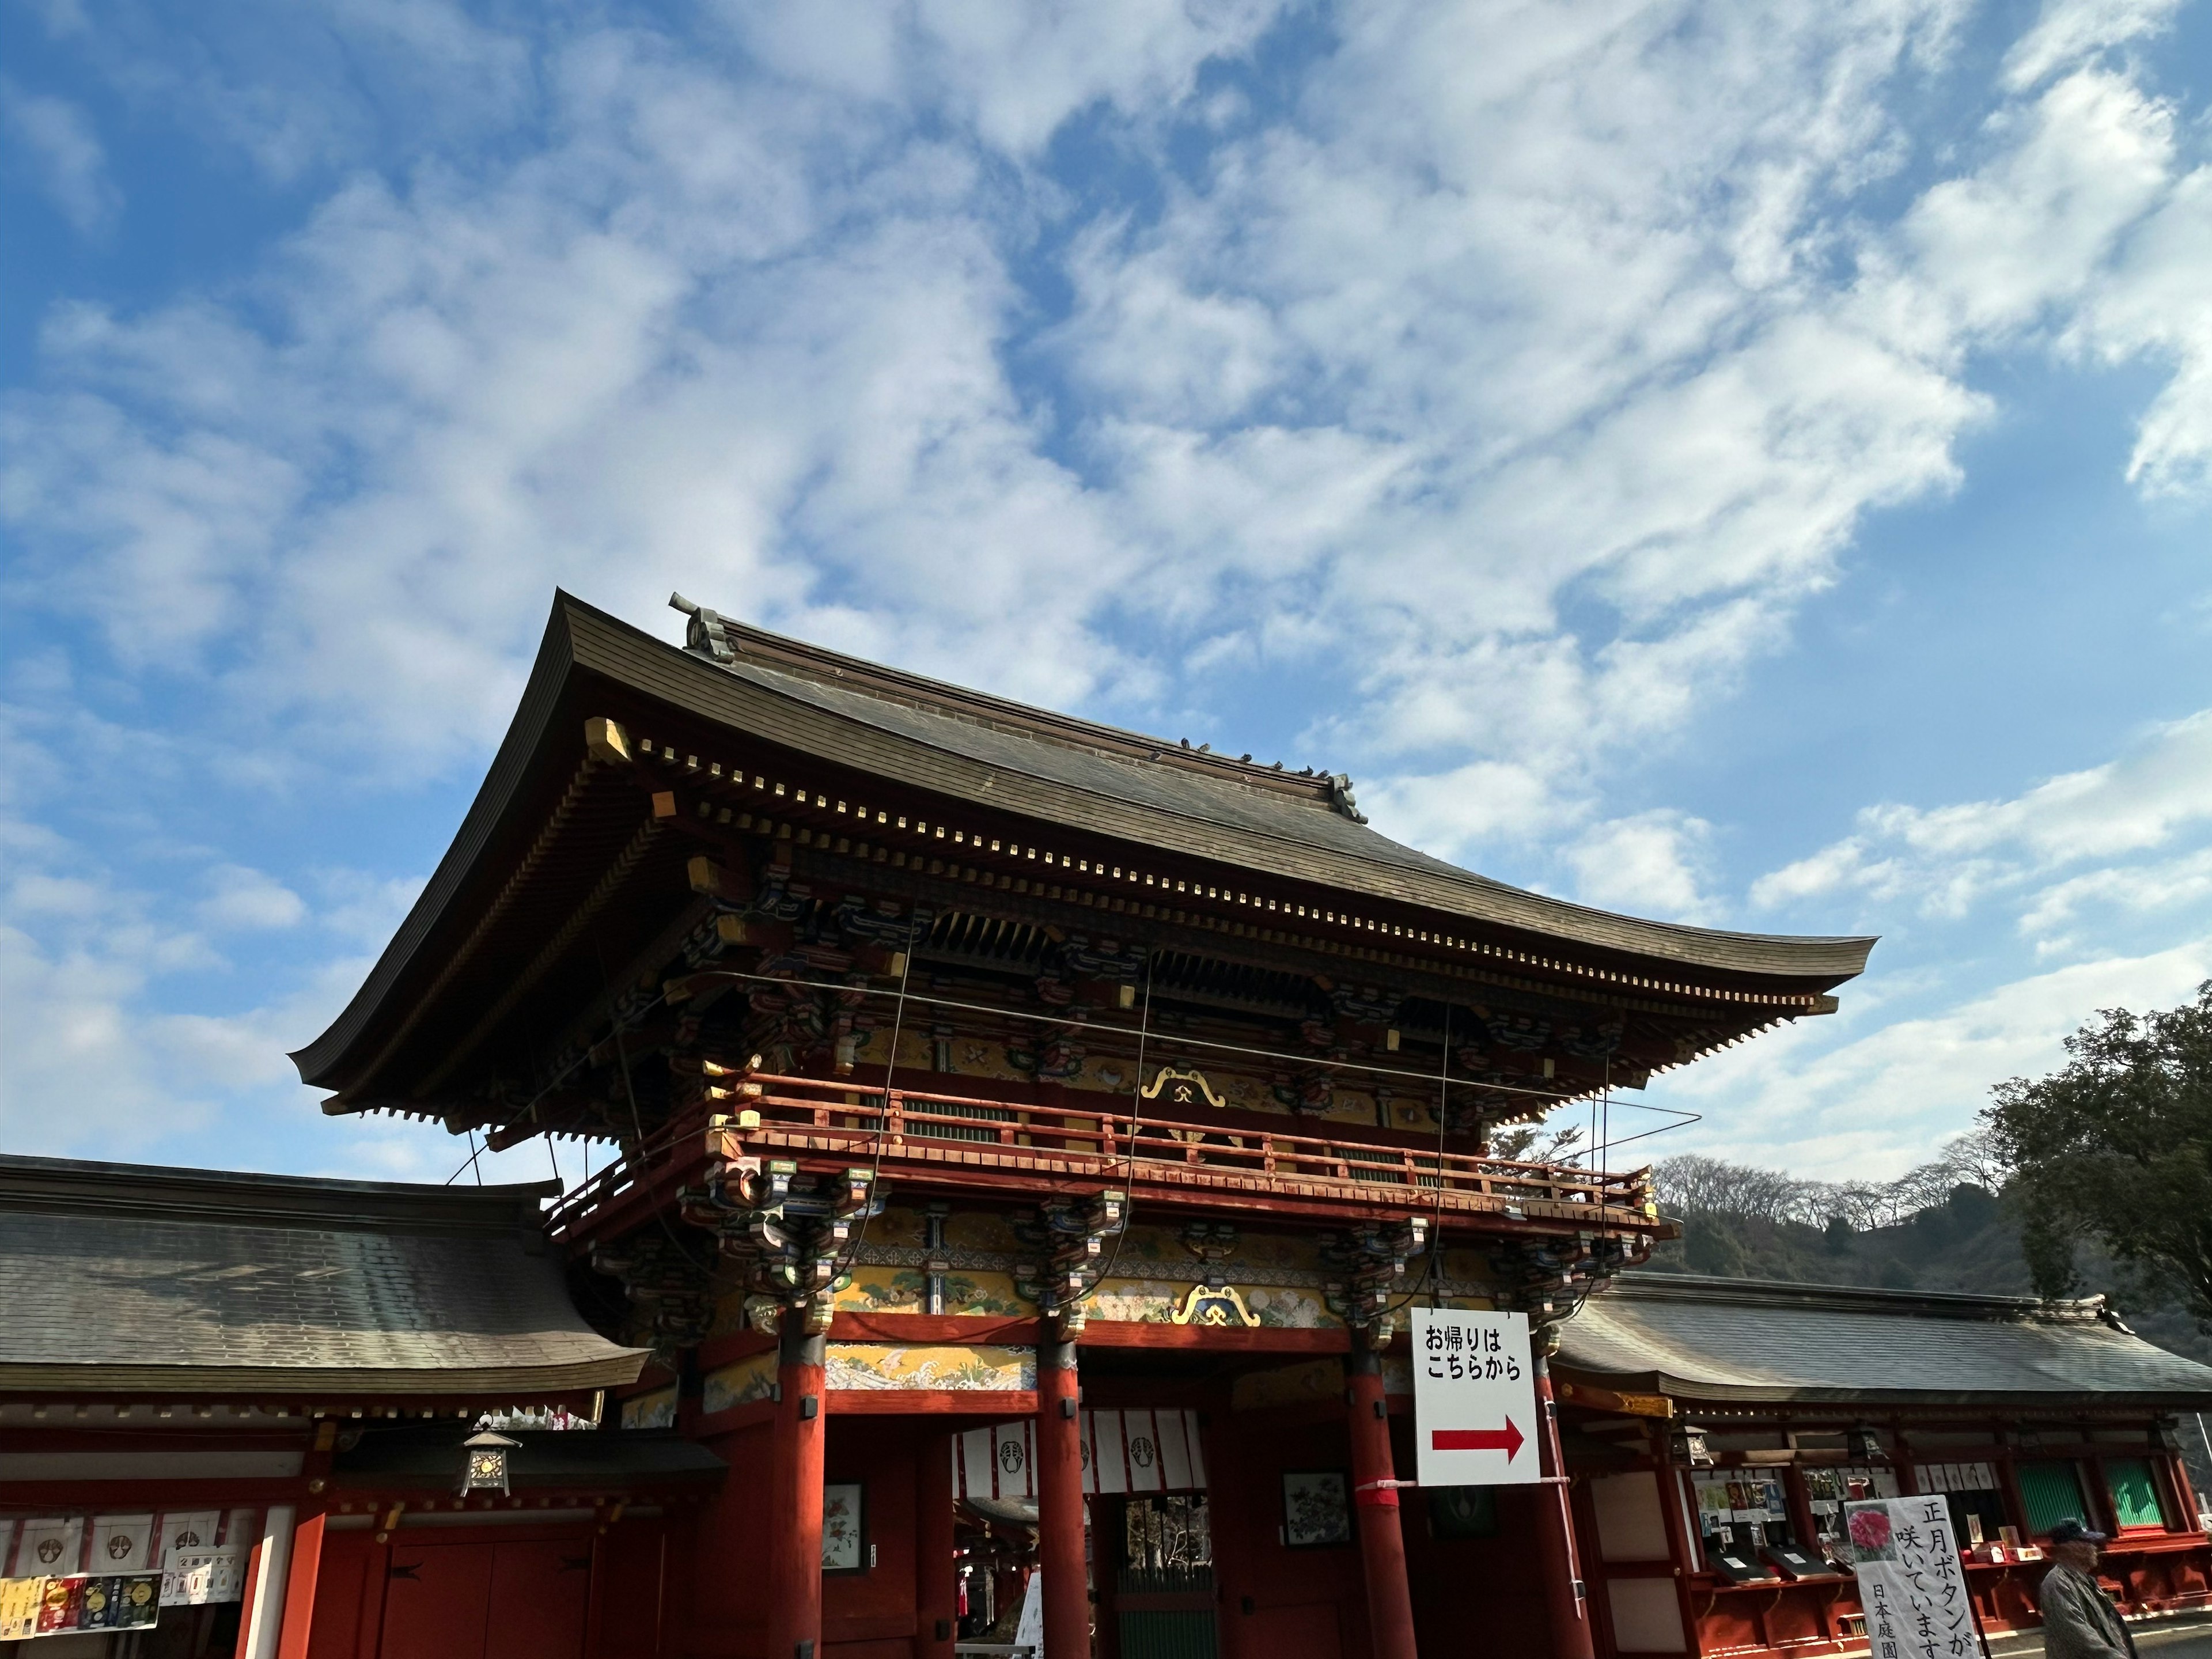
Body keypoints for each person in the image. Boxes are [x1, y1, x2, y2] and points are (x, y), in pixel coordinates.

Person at [2038, 1518, 2138, 1659]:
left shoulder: (2086, 1581)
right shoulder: (2057, 1582)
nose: (2095, 1548)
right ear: (2071, 1548)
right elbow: (2076, 1632)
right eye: (2088, 1543)